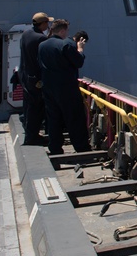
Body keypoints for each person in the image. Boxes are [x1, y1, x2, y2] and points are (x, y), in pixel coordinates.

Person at [38, 18, 90, 155]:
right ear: (62, 30)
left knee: (53, 119)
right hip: (66, 88)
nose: (67, 33)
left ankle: (55, 148)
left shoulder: (42, 45)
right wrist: (80, 49)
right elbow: (78, 62)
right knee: (74, 118)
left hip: (49, 88)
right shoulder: (65, 45)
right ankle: (81, 147)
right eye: (66, 30)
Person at [19, 12, 52, 145]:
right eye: (47, 23)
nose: (48, 25)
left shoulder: (26, 34)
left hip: (25, 76)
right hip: (36, 79)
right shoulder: (41, 39)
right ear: (43, 24)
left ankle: (29, 132)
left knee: (28, 106)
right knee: (36, 108)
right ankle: (32, 137)